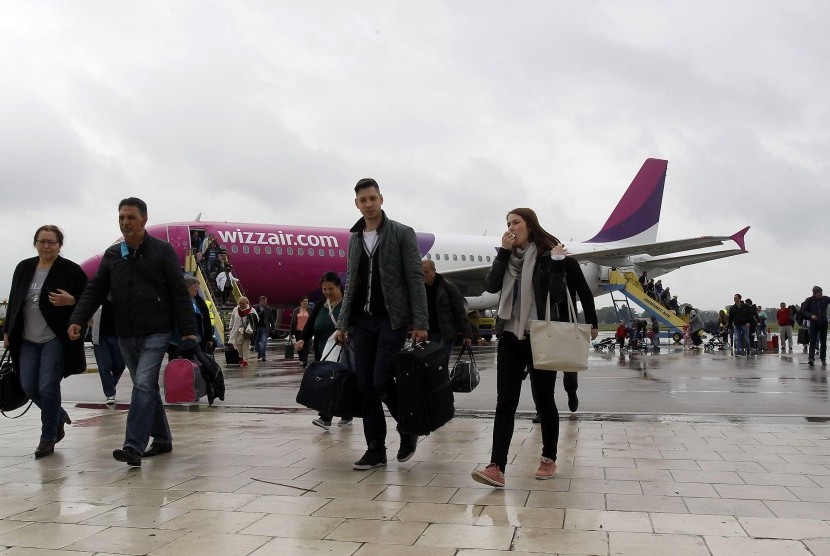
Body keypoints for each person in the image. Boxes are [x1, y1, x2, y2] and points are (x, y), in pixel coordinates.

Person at [471, 208, 598, 488]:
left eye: (516, 222)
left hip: (542, 337)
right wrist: (503, 254)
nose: (511, 227)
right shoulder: (506, 258)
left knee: (544, 401)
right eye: (507, 223)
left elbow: (569, 292)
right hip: (509, 337)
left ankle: (549, 458)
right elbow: (491, 286)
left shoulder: (551, 255)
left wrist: (592, 323)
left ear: (530, 225)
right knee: (505, 402)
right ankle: (496, 466)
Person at [68, 197, 197, 467]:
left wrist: (189, 333)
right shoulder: (114, 255)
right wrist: (78, 318)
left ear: (144, 220)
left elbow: (179, 293)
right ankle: (162, 439)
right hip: (126, 333)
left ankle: (133, 446)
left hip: (156, 331)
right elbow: (96, 289)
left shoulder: (162, 251)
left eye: (131, 218)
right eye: (121, 218)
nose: (125, 223)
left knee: (142, 384)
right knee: (146, 388)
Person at [334, 178, 428, 471]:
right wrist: (343, 322)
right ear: (357, 204)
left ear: (381, 199)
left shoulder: (401, 233)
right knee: (365, 386)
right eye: (363, 200)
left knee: (381, 380)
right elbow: (351, 283)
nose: (369, 204)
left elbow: (414, 278)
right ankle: (375, 449)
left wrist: (420, 321)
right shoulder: (354, 238)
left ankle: (409, 427)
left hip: (392, 319)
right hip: (363, 322)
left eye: (373, 198)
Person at [3, 225, 88, 458]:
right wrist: (8, 330)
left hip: (55, 337)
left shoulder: (70, 270)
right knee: (29, 386)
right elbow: (14, 299)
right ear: (35, 243)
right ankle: (58, 415)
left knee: (48, 387)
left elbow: (88, 298)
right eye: (42, 241)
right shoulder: (24, 268)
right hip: (27, 338)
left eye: (51, 242)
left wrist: (71, 300)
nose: (46, 246)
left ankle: (48, 437)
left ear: (60, 245)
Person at [295, 272, 353, 429]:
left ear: (338, 287)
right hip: (323, 351)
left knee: (338, 383)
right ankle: (333, 416)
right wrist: (302, 339)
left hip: (343, 351)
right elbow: (310, 325)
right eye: (324, 289)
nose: (327, 292)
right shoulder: (321, 304)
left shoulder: (348, 304)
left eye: (330, 289)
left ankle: (329, 417)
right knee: (326, 383)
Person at [421, 259, 471, 361]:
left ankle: (443, 376)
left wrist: (467, 334)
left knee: (441, 363)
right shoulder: (420, 289)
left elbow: (460, 312)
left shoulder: (448, 287)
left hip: (446, 333)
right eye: (421, 272)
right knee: (430, 364)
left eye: (426, 272)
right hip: (429, 333)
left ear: (434, 271)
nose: (423, 274)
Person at [166, 275, 212, 359]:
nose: (197, 289)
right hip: (178, 341)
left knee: (195, 365)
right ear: (187, 287)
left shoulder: (199, 301)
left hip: (198, 340)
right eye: (195, 287)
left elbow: (206, 320)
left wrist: (209, 337)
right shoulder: (176, 300)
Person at [91, 296, 125, 406]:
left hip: (119, 336)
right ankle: (110, 393)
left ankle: (111, 383)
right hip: (100, 337)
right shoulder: (98, 293)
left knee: (120, 365)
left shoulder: (121, 292)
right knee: (104, 365)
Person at [801, 286, 830, 366]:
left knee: (823, 342)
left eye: (821, 292)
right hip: (814, 323)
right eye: (819, 293)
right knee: (813, 341)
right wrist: (811, 316)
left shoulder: (825, 299)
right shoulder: (809, 300)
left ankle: (823, 359)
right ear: (814, 293)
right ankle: (811, 359)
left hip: (823, 323)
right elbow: (803, 311)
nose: (821, 294)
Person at [227, 296, 258, 367]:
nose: (241, 305)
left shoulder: (251, 310)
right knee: (238, 346)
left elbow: (256, 319)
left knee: (245, 346)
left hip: (247, 332)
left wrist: (251, 325)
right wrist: (230, 327)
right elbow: (232, 319)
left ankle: (245, 360)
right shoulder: (235, 309)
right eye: (240, 303)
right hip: (237, 331)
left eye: (243, 303)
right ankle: (241, 356)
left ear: (246, 303)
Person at [289, 296, 312, 364]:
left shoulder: (310, 310)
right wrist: (290, 333)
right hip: (298, 331)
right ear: (301, 302)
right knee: (299, 346)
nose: (305, 303)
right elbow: (292, 322)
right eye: (304, 301)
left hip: (307, 331)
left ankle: (305, 361)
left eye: (307, 301)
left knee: (306, 346)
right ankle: (301, 359)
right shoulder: (296, 310)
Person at [253, 296, 274, 361]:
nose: (265, 302)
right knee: (256, 343)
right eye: (263, 301)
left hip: (264, 327)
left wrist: (273, 327)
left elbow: (271, 319)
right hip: (256, 328)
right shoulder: (255, 308)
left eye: (266, 301)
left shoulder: (268, 309)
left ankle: (263, 355)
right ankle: (259, 353)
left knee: (263, 341)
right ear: (260, 301)